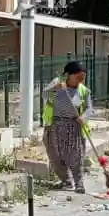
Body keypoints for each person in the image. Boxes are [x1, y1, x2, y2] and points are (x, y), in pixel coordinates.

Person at [42, 60, 92, 192]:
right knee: (55, 155)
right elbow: (44, 94)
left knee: (75, 155)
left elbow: (89, 108)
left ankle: (79, 183)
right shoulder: (58, 83)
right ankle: (66, 181)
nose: (81, 79)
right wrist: (55, 88)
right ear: (70, 75)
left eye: (83, 77)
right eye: (79, 76)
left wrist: (83, 117)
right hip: (54, 125)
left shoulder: (83, 90)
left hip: (72, 126)